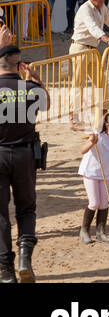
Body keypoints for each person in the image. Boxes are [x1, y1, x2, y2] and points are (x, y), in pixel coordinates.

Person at [0, 42, 47, 282]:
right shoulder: (30, 87)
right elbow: (45, 103)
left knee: (0, 214)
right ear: (20, 66)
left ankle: (6, 270)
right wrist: (36, 78)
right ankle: (25, 258)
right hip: (24, 154)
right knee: (26, 208)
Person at [77, 112, 109, 244]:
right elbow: (82, 150)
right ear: (108, 125)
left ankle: (100, 232)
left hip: (104, 173)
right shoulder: (97, 135)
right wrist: (92, 142)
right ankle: (84, 231)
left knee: (104, 203)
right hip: (90, 172)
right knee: (94, 202)